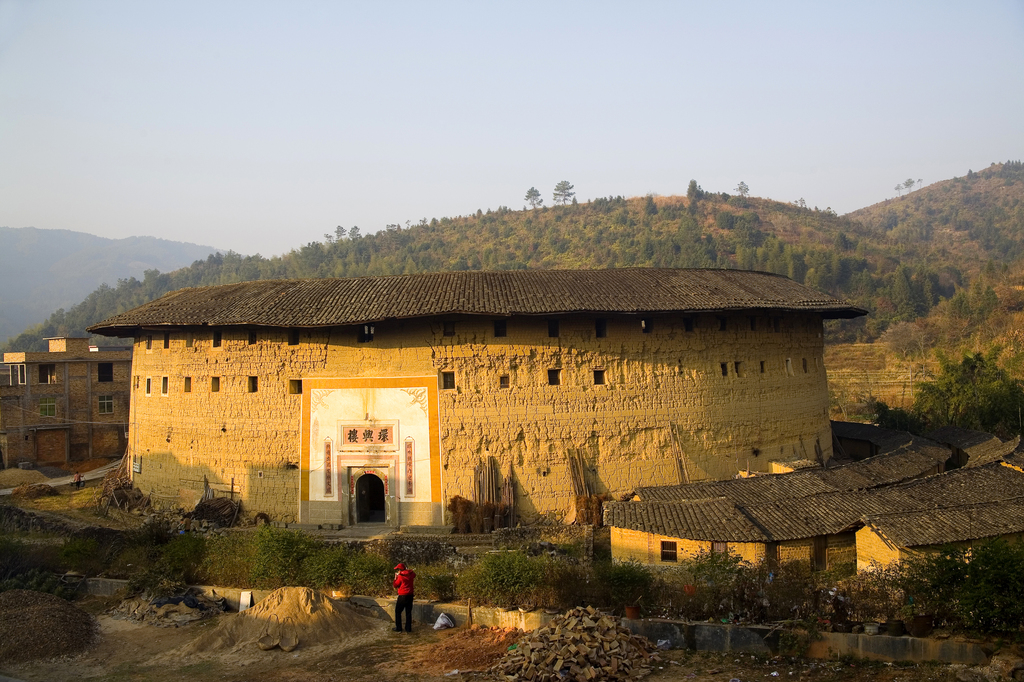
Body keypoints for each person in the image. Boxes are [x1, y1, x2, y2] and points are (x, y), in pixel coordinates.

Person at [392, 562, 415, 633]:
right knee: (408, 612)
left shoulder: (400, 576)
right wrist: (407, 571)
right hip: (410, 595)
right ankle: (408, 628)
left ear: (399, 570)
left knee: (398, 611)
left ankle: (399, 627)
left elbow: (395, 585)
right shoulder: (411, 574)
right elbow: (414, 575)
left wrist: (395, 578)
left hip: (402, 595)